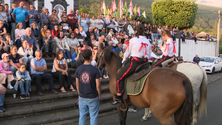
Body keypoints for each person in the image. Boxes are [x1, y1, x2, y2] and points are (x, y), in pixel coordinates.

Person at [112, 24, 152, 105]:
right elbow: (149, 54)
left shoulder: (133, 40)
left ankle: (119, 97)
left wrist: (123, 60)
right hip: (145, 63)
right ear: (144, 32)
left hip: (135, 63)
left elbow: (127, 52)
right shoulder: (148, 41)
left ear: (135, 31)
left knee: (119, 77)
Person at [74, 49, 101, 125]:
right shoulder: (95, 70)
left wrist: (79, 94)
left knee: (82, 116)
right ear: (91, 57)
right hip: (92, 96)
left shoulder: (78, 69)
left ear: (82, 57)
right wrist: (99, 95)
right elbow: (98, 85)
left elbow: (77, 83)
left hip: (82, 96)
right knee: (93, 116)